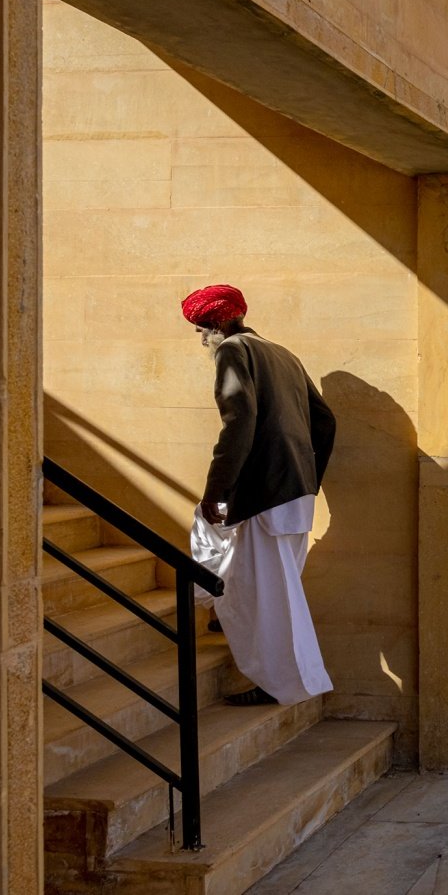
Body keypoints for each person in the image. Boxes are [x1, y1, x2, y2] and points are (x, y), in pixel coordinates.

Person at [181, 284, 336, 707]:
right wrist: (306, 476)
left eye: (202, 327)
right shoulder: (283, 353)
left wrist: (216, 490)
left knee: (266, 596)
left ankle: (279, 683)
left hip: (267, 492)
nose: (201, 336)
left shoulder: (233, 351)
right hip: (295, 491)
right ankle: (226, 617)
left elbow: (239, 422)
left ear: (218, 323)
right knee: (265, 586)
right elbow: (325, 422)